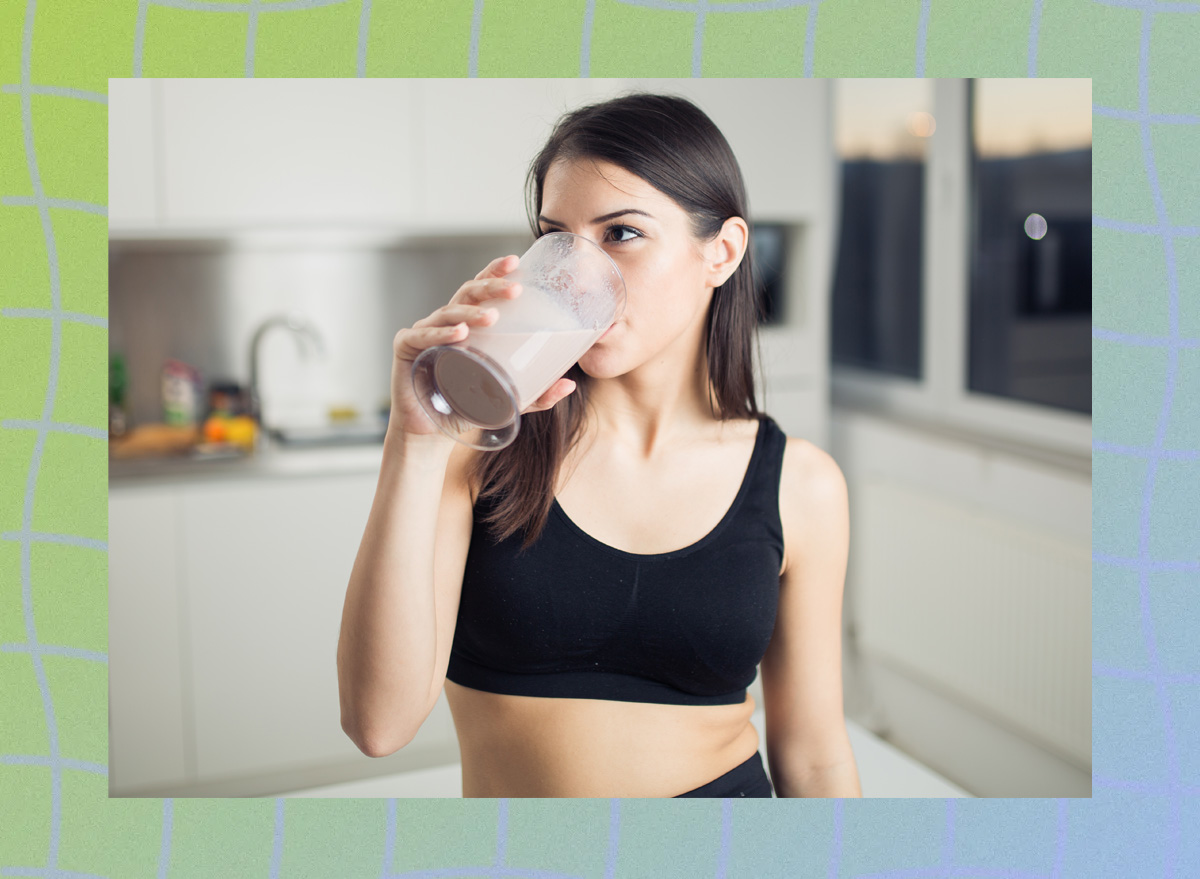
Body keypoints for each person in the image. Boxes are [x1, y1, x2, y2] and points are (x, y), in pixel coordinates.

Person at [336, 92, 862, 798]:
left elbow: (816, 757)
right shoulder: (479, 451)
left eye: (621, 234)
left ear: (723, 252)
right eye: (559, 238)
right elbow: (378, 724)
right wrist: (415, 442)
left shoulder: (801, 485)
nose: (582, 274)